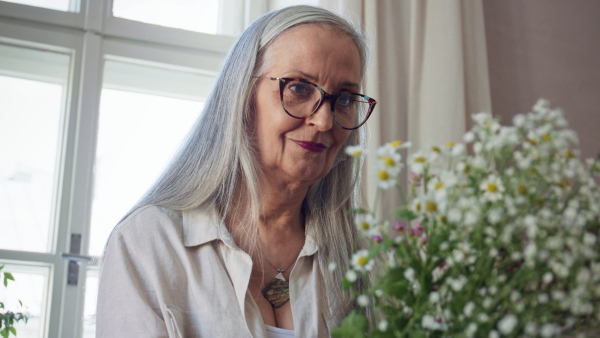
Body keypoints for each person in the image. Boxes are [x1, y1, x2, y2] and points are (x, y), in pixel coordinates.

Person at [96, 5, 376, 337]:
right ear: (242, 95)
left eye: (343, 99)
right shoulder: (148, 243)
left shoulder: (361, 255)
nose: (324, 120)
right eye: (299, 89)